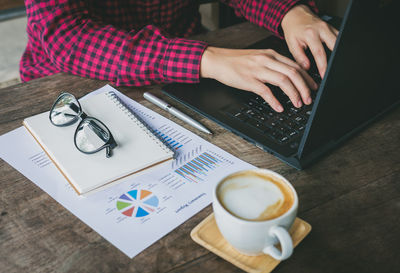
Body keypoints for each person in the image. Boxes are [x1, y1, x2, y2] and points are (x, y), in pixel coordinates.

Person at [21, 0, 338, 112]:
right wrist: (208, 59)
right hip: (68, 90)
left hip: (183, 81)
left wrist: (289, 12)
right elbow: (69, 38)